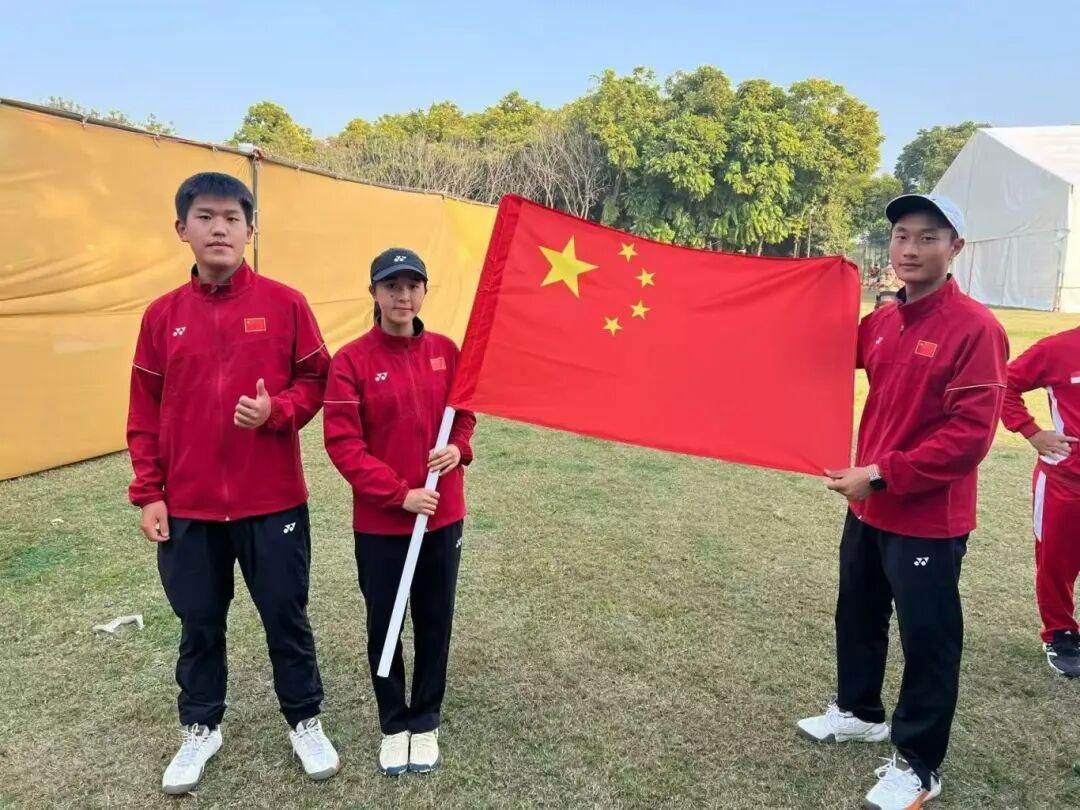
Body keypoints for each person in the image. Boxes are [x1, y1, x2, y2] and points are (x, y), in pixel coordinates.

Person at [126, 172, 339, 794]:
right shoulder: (162, 316)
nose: (219, 228)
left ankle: (304, 719)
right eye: (205, 217)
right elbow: (144, 410)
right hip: (189, 508)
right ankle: (201, 727)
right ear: (182, 229)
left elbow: (317, 382)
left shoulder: (286, 303)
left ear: (251, 230)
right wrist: (150, 492)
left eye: (231, 218)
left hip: (273, 502)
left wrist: (276, 412)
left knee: (286, 615)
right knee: (199, 622)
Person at [797, 194, 1009, 809]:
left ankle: (919, 765)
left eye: (927, 238)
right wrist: (809, 294)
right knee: (858, 613)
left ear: (955, 248)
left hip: (925, 517)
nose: (910, 250)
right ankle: (860, 711)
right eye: (900, 236)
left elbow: (969, 438)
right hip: (868, 506)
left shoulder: (976, 328)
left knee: (928, 639)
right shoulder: (885, 320)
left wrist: (881, 474)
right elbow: (824, 353)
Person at [323, 247, 476, 776]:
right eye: (392, 286)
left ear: (425, 291)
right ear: (374, 293)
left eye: (412, 285)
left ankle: (425, 718)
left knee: (435, 620)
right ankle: (394, 723)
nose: (403, 296)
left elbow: (465, 415)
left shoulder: (447, 352)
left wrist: (458, 448)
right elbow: (344, 445)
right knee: (385, 622)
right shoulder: (350, 363)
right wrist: (399, 495)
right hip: (383, 524)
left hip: (442, 515)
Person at [1001, 326, 1080, 676]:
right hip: (1066, 482)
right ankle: (1061, 634)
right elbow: (1003, 385)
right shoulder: (1058, 348)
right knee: (1056, 563)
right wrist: (1031, 431)